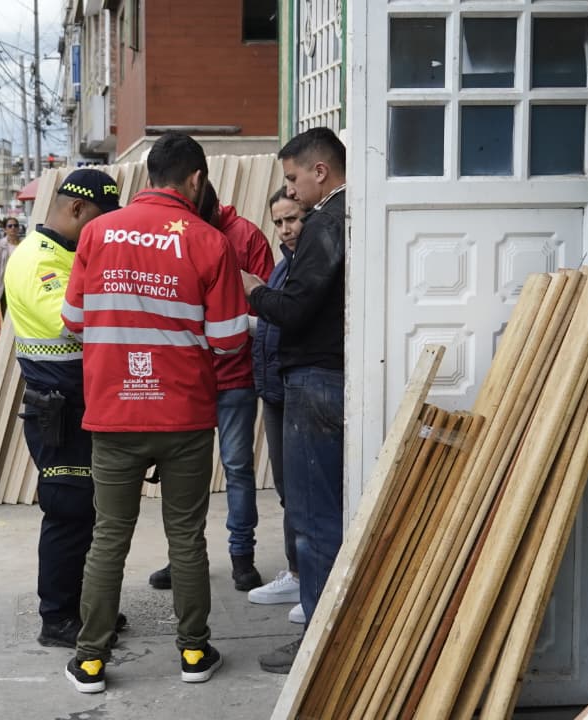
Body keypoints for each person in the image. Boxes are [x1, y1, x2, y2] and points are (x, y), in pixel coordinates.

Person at [62, 132, 249, 693]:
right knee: (186, 538)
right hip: (184, 417)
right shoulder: (209, 241)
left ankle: (90, 660)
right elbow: (229, 339)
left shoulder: (96, 233)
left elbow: (73, 320)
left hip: (114, 414)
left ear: (148, 176)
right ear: (196, 179)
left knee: (108, 536)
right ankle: (193, 652)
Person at [2, 169, 126, 650]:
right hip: (58, 411)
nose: (104, 230)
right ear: (76, 208)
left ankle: (84, 607)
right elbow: (71, 321)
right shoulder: (36, 260)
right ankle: (56, 618)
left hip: (79, 407)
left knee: (89, 513)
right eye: (100, 219)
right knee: (67, 511)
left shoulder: (66, 254)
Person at [242, 127, 347, 674]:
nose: (290, 190)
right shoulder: (352, 215)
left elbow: (297, 309)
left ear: (320, 172)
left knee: (312, 520)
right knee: (323, 513)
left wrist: (254, 292)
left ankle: (318, 641)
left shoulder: (326, 222)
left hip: (316, 381)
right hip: (333, 377)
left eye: (292, 178)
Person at [147, 181, 275, 593]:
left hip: (233, 376)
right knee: (182, 472)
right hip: (187, 377)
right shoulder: (175, 232)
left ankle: (242, 557)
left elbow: (269, 302)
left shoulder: (246, 236)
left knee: (237, 468)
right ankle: (183, 558)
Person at [247, 189, 307, 624]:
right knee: (288, 489)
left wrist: (255, 294)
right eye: (279, 223)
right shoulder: (284, 264)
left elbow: (293, 317)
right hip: (275, 390)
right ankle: (297, 572)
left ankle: (313, 578)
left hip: (297, 388)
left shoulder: (310, 263)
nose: (285, 230)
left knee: (307, 491)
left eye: (293, 219)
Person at [0, 217, 22, 314]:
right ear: (5, 229)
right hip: (6, 286)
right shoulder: (0, 245)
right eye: (10, 226)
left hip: (21, 285)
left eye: (15, 226)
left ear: (18, 228)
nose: (13, 228)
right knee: (6, 313)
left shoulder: (24, 244)